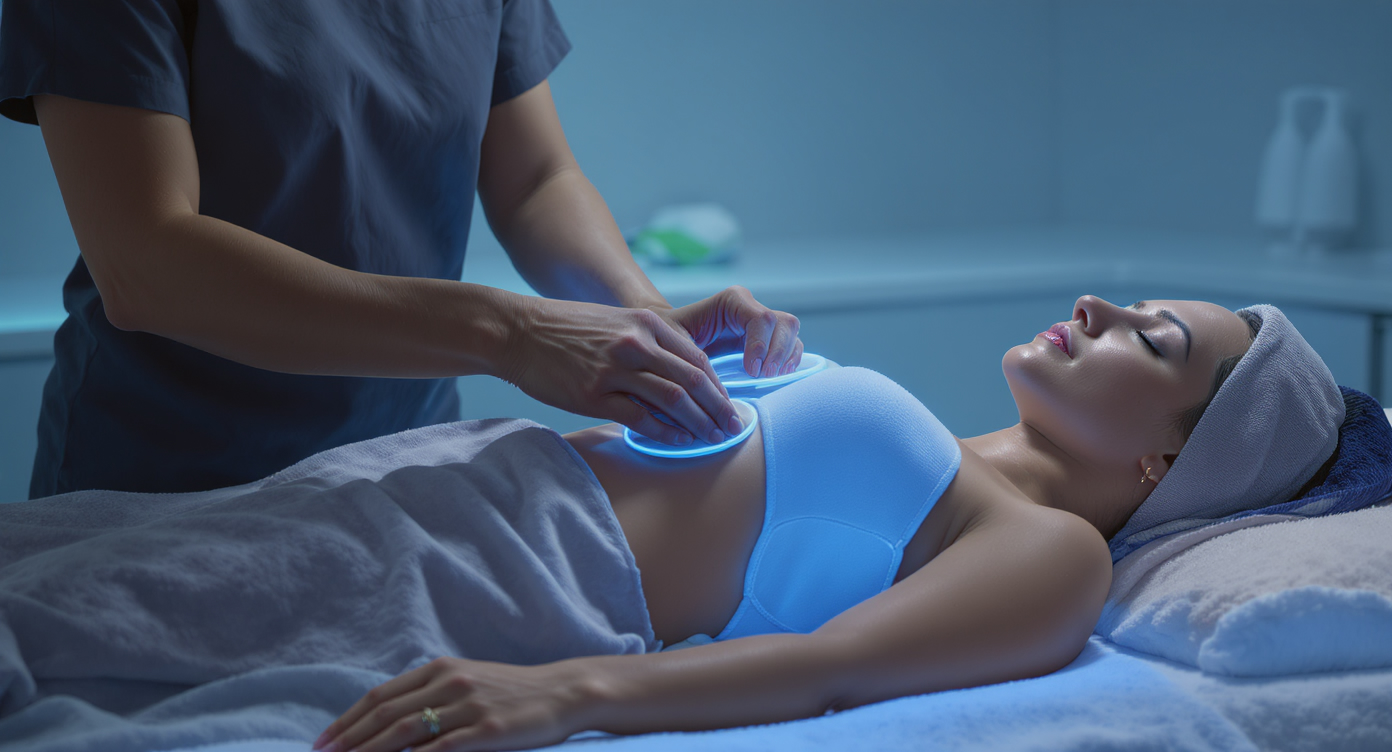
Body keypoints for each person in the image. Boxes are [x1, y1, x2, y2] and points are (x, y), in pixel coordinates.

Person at [0, 296, 1346, 752]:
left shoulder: (1047, 554)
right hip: (448, 481)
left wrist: (565, 693)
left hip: (520, 572)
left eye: (1151, 338)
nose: (1102, 307)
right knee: (66, 578)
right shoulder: (953, 442)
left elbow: (832, 671)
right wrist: (718, 346)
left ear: (1179, 452)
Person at [0, 0, 801, 498]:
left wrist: (650, 318)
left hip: (402, 468)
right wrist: (508, 333)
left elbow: (535, 182)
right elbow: (147, 262)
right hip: (167, 479)